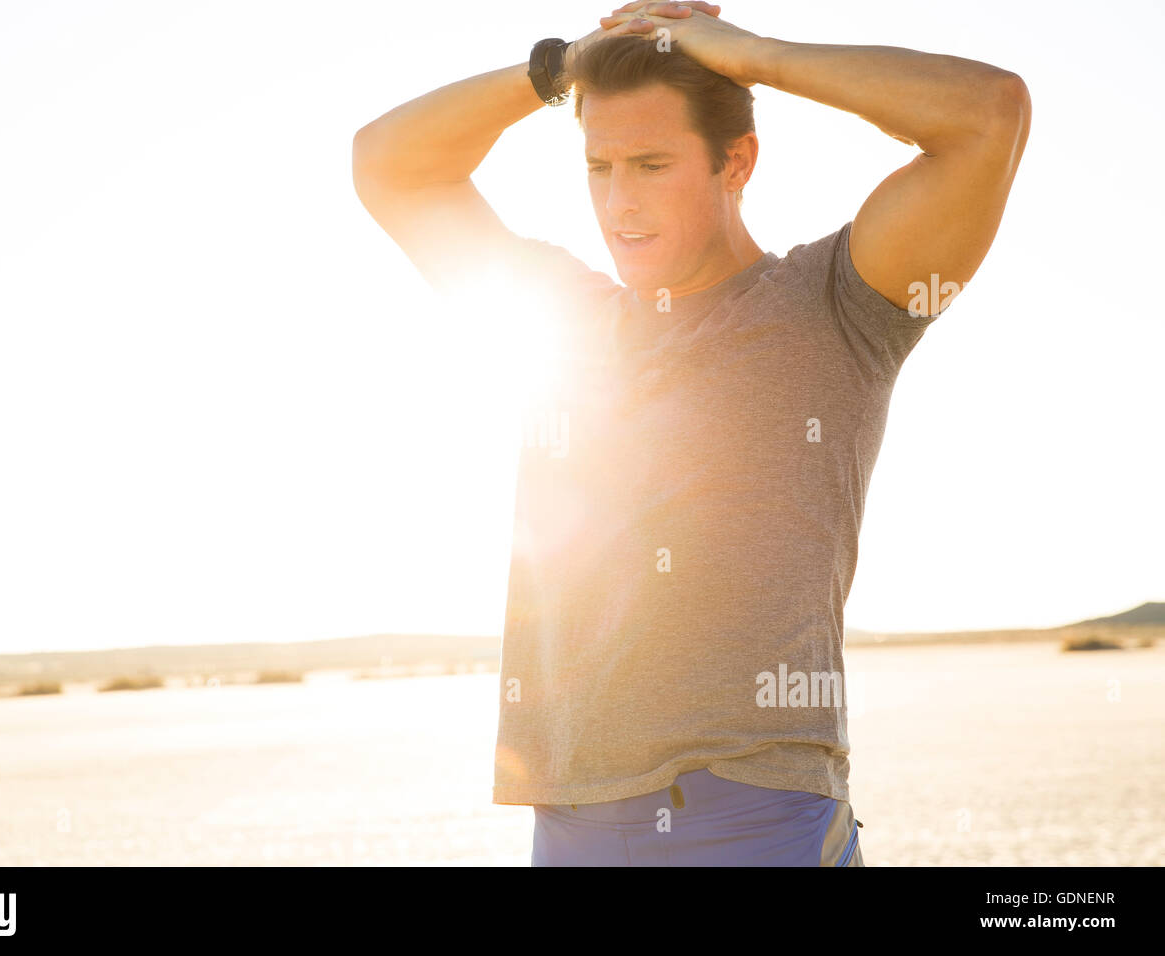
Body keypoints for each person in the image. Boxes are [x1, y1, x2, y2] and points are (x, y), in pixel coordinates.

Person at [351, 1, 1030, 865]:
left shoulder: (834, 306)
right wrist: (558, 69)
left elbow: (987, 115)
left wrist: (754, 55)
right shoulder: (557, 319)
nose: (620, 202)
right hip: (570, 823)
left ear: (735, 161)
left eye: (652, 164)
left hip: (755, 815)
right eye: (599, 167)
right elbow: (388, 164)